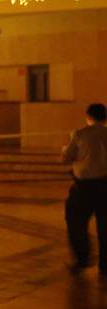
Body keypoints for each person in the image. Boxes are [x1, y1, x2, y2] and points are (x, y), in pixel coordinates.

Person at [64, 102, 107, 273]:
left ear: (88, 117)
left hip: (84, 187)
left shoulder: (79, 134)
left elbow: (67, 156)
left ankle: (83, 258)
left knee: (76, 222)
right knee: (105, 225)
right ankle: (105, 263)